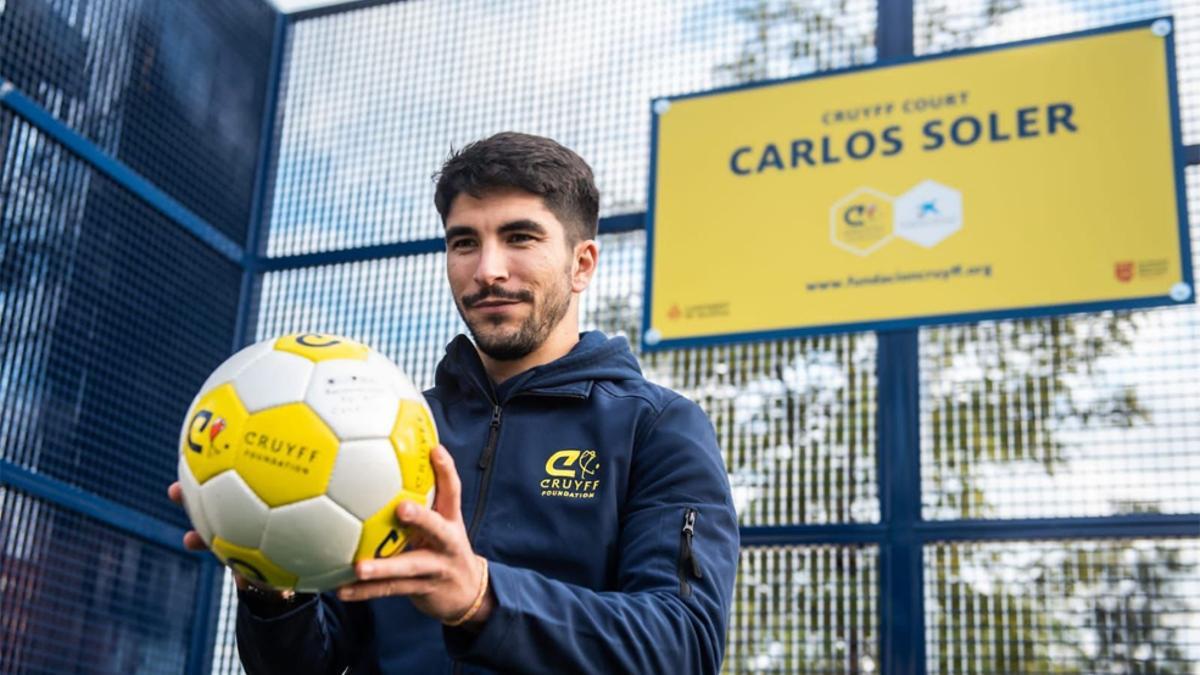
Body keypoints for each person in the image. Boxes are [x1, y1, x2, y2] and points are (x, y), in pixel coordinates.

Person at [169, 132, 739, 674]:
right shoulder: (393, 429)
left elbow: (683, 647)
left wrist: (482, 598)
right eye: (465, 242)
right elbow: (310, 663)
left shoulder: (658, 428)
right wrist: (272, 580)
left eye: (520, 238)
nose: (487, 270)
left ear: (582, 263)